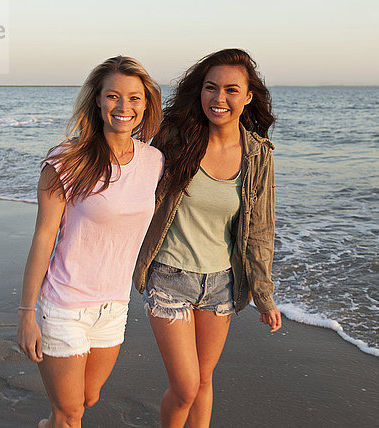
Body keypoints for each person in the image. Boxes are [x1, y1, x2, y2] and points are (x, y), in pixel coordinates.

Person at [133, 48, 282, 428]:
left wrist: (264, 294)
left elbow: (260, 231)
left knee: (203, 381)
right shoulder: (173, 137)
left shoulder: (257, 155)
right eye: (210, 88)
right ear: (199, 91)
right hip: (169, 277)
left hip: (221, 284)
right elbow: (129, 172)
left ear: (248, 97)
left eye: (231, 90)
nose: (219, 99)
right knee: (185, 386)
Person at [17, 56, 163, 428]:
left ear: (146, 104)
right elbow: (43, 237)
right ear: (97, 100)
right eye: (113, 96)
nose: (123, 107)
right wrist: (26, 314)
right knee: (70, 414)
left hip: (113, 306)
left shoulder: (155, 162)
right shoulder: (66, 161)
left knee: (87, 398)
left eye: (134, 98)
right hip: (64, 304)